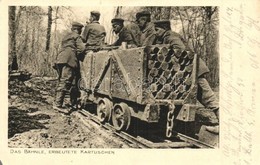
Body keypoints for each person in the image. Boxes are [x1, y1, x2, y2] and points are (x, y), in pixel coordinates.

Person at [154, 20, 219, 133]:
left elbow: (182, 51)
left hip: (195, 71)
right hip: (190, 72)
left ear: (164, 28)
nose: (155, 32)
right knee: (200, 97)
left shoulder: (170, 36)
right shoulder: (166, 37)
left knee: (208, 98)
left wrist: (170, 60)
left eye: (157, 29)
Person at [53, 22, 86, 114]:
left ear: (72, 29)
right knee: (66, 81)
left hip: (60, 59)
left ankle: (57, 101)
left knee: (61, 80)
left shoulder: (66, 36)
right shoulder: (77, 36)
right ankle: (58, 105)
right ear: (79, 30)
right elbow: (82, 49)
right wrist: (78, 56)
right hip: (69, 60)